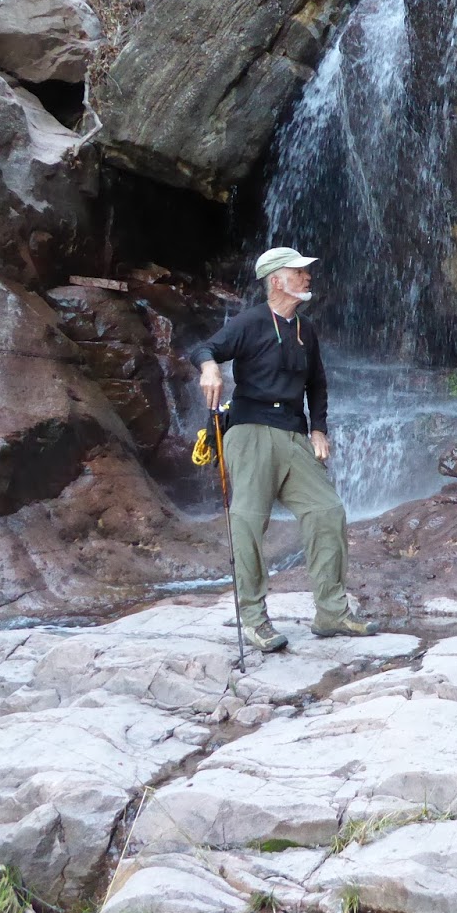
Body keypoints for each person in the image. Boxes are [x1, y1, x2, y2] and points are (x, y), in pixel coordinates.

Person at [191, 246, 377, 652]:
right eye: (299, 272)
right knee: (248, 522)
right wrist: (209, 368)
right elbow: (205, 349)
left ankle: (331, 612)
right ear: (277, 280)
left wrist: (318, 429)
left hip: (294, 434)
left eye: (307, 271)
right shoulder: (251, 322)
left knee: (327, 511)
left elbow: (317, 384)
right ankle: (255, 621)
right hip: (251, 430)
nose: (308, 277)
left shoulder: (304, 329)